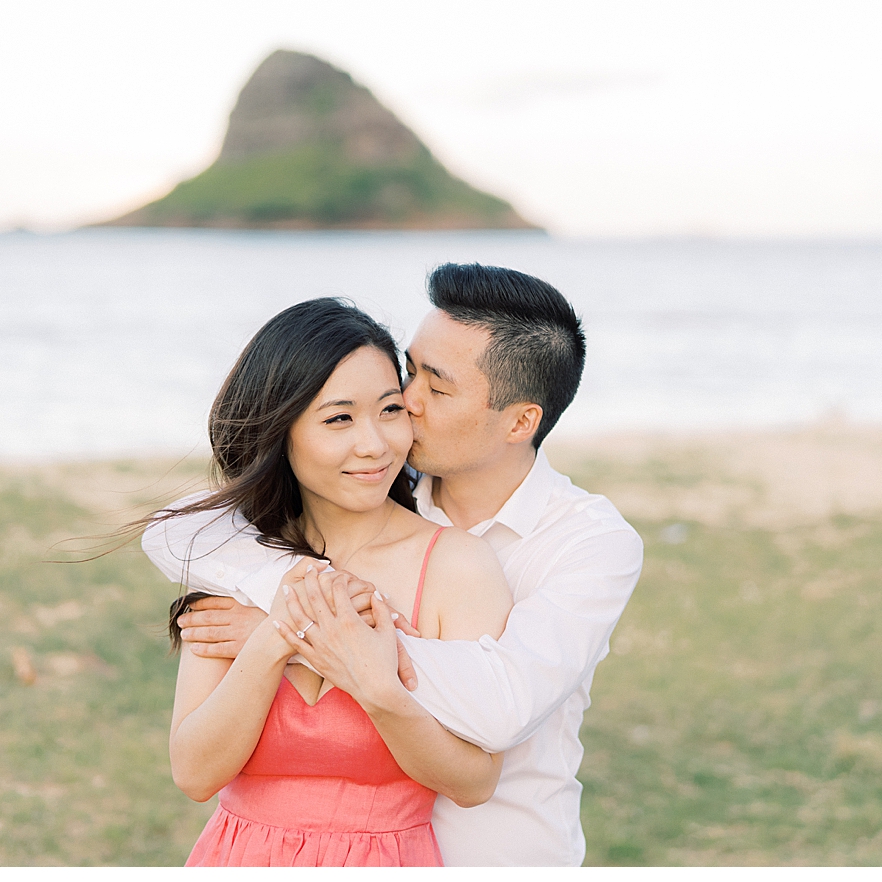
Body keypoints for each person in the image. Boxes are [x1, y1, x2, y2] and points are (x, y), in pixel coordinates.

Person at [144, 263, 645, 866]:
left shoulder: (588, 545)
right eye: (409, 372)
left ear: (520, 421)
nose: (404, 405)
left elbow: (504, 703)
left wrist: (309, 633)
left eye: (436, 387)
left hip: (496, 856)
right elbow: (178, 533)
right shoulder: (377, 474)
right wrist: (297, 613)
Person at [161, 296, 514, 867]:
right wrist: (281, 633)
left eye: (391, 410)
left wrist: (378, 688)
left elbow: (474, 781)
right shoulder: (240, 561)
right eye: (338, 418)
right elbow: (195, 772)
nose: (374, 445)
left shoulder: (456, 566)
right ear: (284, 431)